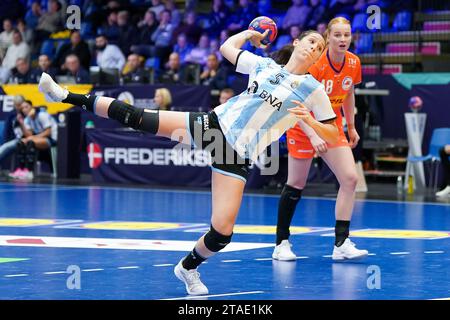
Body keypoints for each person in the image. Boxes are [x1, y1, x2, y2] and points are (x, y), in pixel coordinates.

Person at [38, 27, 338, 295]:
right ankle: (63, 94)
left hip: (235, 154)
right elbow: (226, 49)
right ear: (297, 42)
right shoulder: (265, 65)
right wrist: (249, 34)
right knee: (138, 118)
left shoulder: (312, 90)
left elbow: (333, 131)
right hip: (213, 127)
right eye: (311, 41)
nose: (314, 47)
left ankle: (187, 267)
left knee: (222, 233)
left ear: (318, 58)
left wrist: (310, 120)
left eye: (319, 47)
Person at [273, 17, 368, 262]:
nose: (343, 39)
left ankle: (341, 243)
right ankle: (281, 242)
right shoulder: (315, 63)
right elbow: (294, 102)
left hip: (329, 125)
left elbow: (348, 93)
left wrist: (351, 126)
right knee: (296, 182)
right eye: (337, 35)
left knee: (350, 178)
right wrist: (312, 135)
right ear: (328, 37)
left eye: (347, 35)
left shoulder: (354, 62)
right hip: (301, 123)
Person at [9, 100, 58, 181]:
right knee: (21, 143)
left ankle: (29, 172)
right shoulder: (27, 119)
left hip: (52, 139)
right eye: (22, 108)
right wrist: (21, 123)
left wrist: (33, 138)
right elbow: (29, 135)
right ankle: (21, 170)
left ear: (32, 107)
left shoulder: (42, 115)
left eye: (26, 107)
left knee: (30, 142)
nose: (24, 110)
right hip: (39, 138)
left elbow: (48, 132)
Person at [0, 96, 27, 170]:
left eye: (19, 105)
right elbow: (6, 130)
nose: (18, 107)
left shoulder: (27, 113)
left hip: (24, 139)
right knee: (5, 146)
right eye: (16, 105)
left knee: (5, 147)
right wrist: (5, 141)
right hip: (13, 140)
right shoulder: (11, 114)